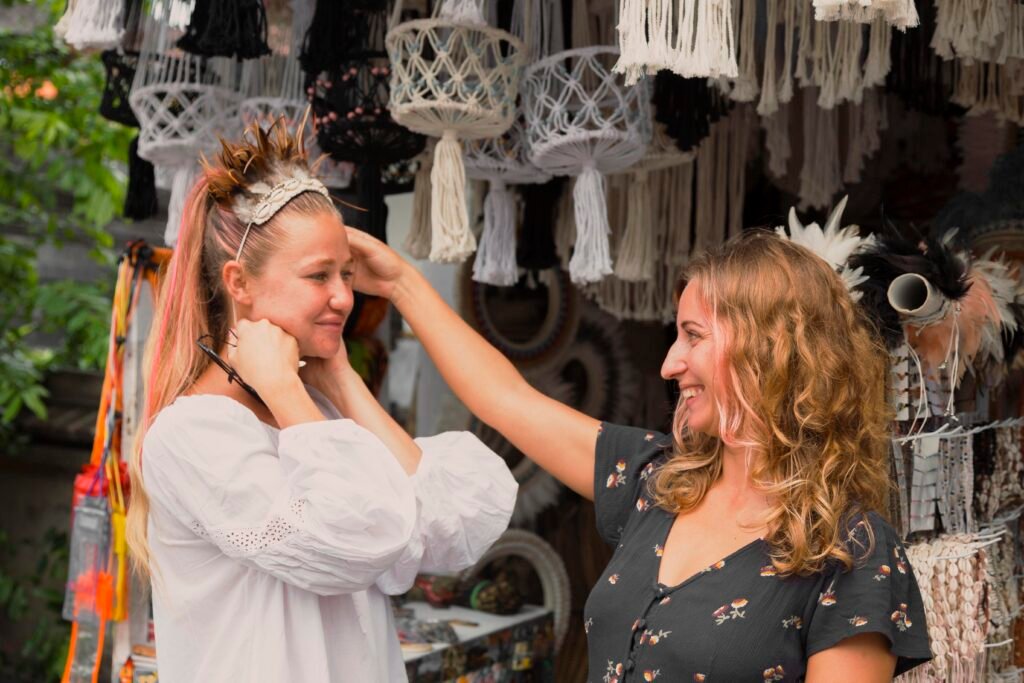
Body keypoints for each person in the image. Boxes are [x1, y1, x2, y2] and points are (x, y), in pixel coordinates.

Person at [345, 228, 933, 681]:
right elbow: (506, 399)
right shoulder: (659, 482)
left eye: (693, 336)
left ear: (770, 349)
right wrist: (400, 283)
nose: (670, 364)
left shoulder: (850, 551)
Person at [124, 119, 518, 682]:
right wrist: (287, 389)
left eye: (347, 274)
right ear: (239, 283)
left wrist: (339, 379)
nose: (344, 297)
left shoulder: (318, 415)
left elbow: (450, 529)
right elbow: (356, 539)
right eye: (318, 276)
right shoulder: (191, 436)